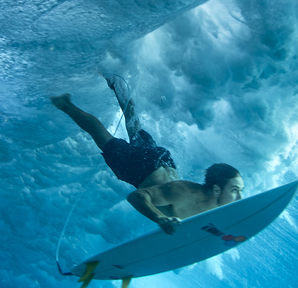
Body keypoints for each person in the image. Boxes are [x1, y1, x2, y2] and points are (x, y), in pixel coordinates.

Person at [50, 77, 244, 235]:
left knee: (134, 125)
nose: (240, 196)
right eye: (235, 190)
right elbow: (136, 197)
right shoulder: (186, 192)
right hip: (140, 169)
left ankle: (115, 78)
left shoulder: (213, 206)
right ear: (217, 190)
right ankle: (64, 104)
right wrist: (160, 218)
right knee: (102, 137)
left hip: (162, 160)